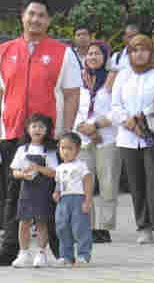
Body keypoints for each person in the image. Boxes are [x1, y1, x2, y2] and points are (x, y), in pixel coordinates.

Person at [0, 0, 80, 266]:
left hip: (50, 138)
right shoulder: (3, 51)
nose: (35, 19)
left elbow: (72, 95)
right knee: (14, 193)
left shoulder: (63, 53)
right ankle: (11, 248)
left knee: (54, 191)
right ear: (22, 17)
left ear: (49, 21)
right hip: (14, 133)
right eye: (31, 14)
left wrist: (67, 133)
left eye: (41, 15)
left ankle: (61, 247)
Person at [110, 34, 154, 243]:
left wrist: (144, 119)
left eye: (143, 49)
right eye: (134, 50)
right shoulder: (123, 75)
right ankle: (144, 226)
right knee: (136, 184)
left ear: (150, 51)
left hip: (153, 134)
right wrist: (130, 123)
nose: (139, 54)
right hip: (128, 137)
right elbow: (115, 106)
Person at [74, 42, 116, 243]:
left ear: (105, 57)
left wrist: (97, 126)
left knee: (108, 183)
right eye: (89, 53)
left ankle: (105, 227)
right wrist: (85, 129)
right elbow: (70, 107)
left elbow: (117, 109)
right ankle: (88, 227)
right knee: (85, 184)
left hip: (107, 138)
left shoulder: (112, 79)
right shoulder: (78, 79)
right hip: (82, 139)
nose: (92, 56)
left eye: (97, 53)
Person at [8, 113, 58, 268]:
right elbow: (14, 171)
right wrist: (22, 174)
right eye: (34, 126)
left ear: (47, 130)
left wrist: (38, 168)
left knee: (42, 222)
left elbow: (54, 172)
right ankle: (23, 253)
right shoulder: (23, 149)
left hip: (44, 191)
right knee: (24, 222)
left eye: (42, 127)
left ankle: (41, 253)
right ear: (28, 129)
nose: (37, 129)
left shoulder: (49, 150)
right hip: (26, 191)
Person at [53, 132, 94, 266]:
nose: (65, 152)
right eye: (62, 148)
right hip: (64, 201)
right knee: (62, 227)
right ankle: (66, 256)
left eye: (69, 148)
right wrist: (56, 192)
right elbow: (58, 184)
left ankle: (83, 255)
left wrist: (87, 200)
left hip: (78, 199)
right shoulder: (59, 168)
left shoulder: (81, 165)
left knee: (80, 228)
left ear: (77, 150)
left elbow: (87, 181)